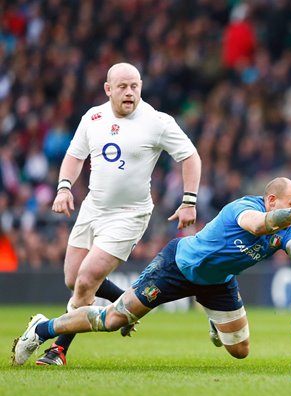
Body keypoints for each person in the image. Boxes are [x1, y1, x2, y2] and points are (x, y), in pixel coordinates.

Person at [12, 177, 291, 366]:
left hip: (218, 282)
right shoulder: (246, 208)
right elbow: (257, 226)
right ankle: (43, 328)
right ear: (271, 200)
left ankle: (213, 316)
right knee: (114, 320)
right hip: (176, 267)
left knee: (240, 351)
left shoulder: (288, 229)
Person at [36, 62, 202, 366]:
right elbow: (74, 156)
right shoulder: (93, 117)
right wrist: (63, 188)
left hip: (130, 214)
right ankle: (126, 303)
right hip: (93, 208)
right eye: (123, 86)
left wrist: (189, 201)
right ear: (108, 89)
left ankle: (57, 348)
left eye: (135, 86)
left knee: (86, 279)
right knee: (73, 279)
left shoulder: (156, 121)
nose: (129, 92)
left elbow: (190, 156)